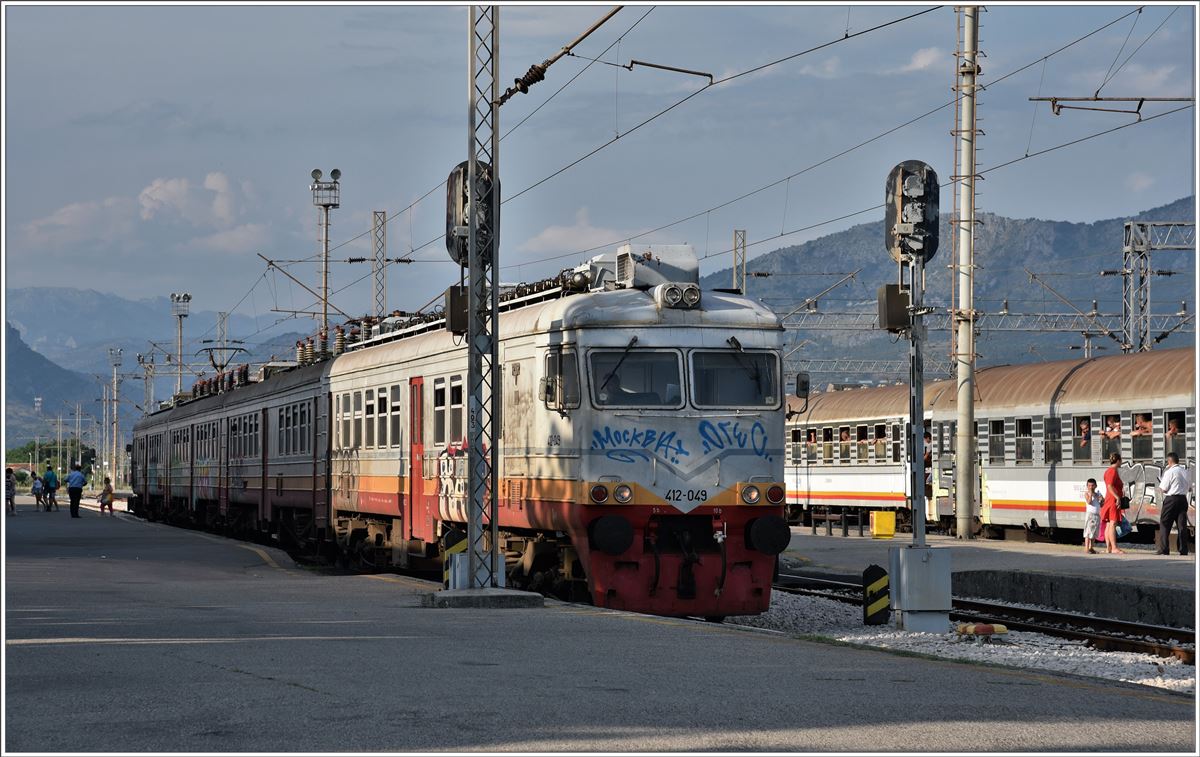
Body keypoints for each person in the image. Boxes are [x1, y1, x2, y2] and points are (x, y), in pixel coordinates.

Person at [1156, 452, 1191, 556]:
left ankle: (1164, 549)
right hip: (1182, 500)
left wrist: (1161, 489)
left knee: (1165, 523)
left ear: (1169, 461)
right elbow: (1189, 488)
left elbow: (1163, 488)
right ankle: (1183, 549)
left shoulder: (1169, 472)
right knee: (1182, 526)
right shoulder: (1185, 472)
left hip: (1171, 500)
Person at [1101, 452, 1126, 555]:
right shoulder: (1113, 471)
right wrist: (1117, 498)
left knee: (1108, 524)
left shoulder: (1108, 471)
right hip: (1113, 500)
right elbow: (1110, 486)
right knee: (1113, 523)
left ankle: (1108, 548)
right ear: (1118, 460)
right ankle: (1114, 547)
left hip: (1110, 499)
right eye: (1121, 460)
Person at [1082, 478, 1102, 554]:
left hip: (1097, 515)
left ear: (1095, 486)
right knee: (1088, 531)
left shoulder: (1098, 494)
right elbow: (1089, 502)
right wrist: (1090, 494)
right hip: (1090, 515)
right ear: (1087, 486)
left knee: (1094, 532)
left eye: (1092, 485)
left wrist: (1101, 500)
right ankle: (1086, 548)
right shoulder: (1087, 494)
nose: (1091, 487)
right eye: (1089, 485)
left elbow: (1102, 504)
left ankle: (1091, 547)